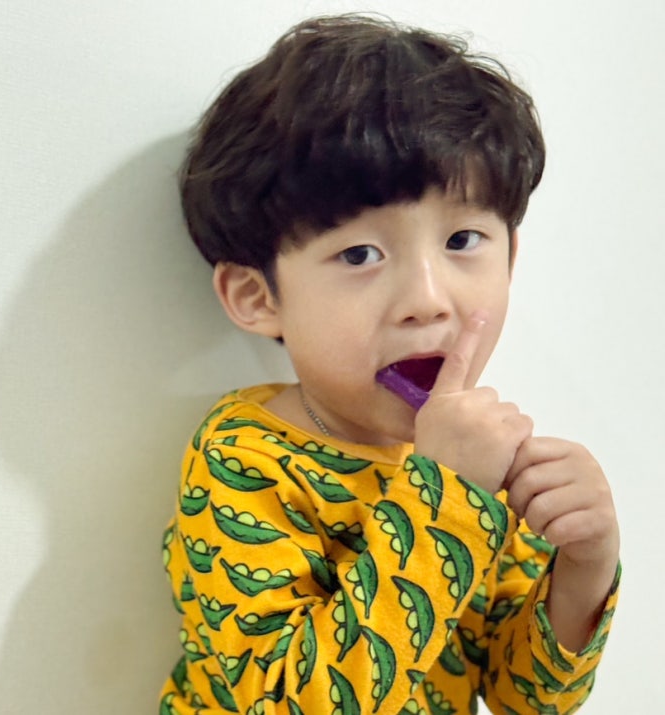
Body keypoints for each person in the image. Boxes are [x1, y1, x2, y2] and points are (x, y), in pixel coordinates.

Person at [160, 14, 620, 715]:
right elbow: (289, 703)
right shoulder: (243, 461)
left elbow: (525, 699)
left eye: (462, 240)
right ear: (258, 297)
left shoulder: (480, 452)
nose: (427, 300)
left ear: (510, 258)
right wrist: (446, 499)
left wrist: (585, 565)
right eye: (359, 255)